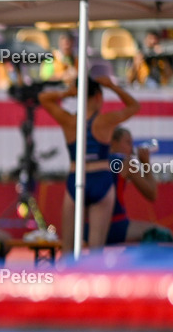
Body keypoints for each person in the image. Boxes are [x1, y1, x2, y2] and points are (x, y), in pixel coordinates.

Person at [38, 76, 140, 250]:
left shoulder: (69, 120)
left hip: (76, 178)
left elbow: (43, 98)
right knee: (95, 249)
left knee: (68, 248)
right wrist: (113, 86)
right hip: (100, 179)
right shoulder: (105, 121)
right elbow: (134, 106)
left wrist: (67, 93)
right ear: (98, 97)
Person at [106, 128, 173, 244]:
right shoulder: (126, 163)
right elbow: (152, 194)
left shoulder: (98, 161)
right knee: (162, 235)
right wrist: (146, 163)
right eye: (128, 143)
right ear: (114, 142)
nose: (131, 148)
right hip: (115, 224)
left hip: (91, 223)